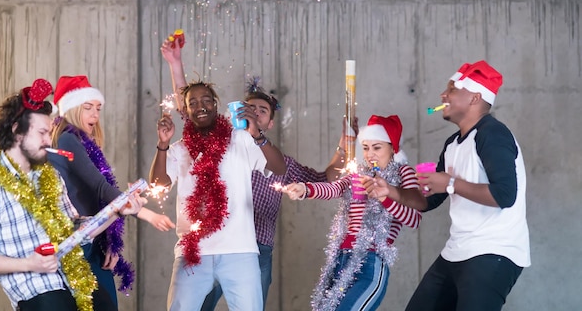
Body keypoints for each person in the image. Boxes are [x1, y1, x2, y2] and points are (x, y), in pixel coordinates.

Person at [0, 79, 145, 311]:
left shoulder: (51, 177)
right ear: (17, 130)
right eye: (41, 133)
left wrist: (117, 210)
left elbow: (74, 230)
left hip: (76, 277)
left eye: (49, 132)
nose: (49, 141)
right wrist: (29, 263)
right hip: (37, 290)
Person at [378, 61, 530, 311]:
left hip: (494, 251)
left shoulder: (493, 134)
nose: (443, 95)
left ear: (475, 98)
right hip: (457, 251)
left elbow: (504, 195)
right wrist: (390, 191)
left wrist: (450, 183)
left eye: (452, 89)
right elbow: (428, 201)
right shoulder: (452, 144)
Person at [150, 38, 287, 311]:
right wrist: (163, 144)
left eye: (206, 100)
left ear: (216, 105)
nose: (200, 106)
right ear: (185, 111)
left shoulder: (240, 139)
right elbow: (158, 183)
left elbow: (278, 168)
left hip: (241, 252)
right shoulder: (179, 149)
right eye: (192, 103)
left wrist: (256, 133)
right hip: (193, 253)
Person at [200, 77, 353, 311]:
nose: (255, 113)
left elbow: (326, 179)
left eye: (262, 111)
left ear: (270, 123)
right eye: (250, 108)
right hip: (219, 244)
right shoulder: (223, 149)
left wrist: (345, 143)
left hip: (258, 248)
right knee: (200, 304)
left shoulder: (282, 164)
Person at [48, 75, 176, 310]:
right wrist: (147, 215)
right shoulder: (67, 139)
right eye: (88, 108)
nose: (95, 115)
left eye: (98, 108)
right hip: (74, 243)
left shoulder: (84, 142)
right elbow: (101, 188)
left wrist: (110, 241)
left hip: (92, 240)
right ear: (72, 109)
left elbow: (97, 199)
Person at [280, 114, 422, 311]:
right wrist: (305, 189)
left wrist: (385, 196)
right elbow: (334, 188)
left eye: (377, 147)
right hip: (341, 260)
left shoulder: (403, 173)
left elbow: (414, 219)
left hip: (371, 262)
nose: (370, 154)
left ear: (392, 147)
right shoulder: (358, 173)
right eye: (365, 147)